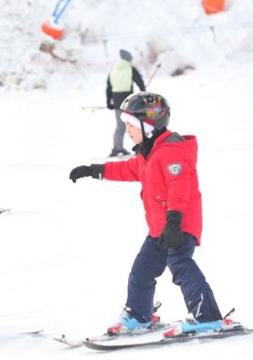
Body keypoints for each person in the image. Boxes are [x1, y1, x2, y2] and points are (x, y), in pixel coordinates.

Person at [69, 91, 240, 336]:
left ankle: (207, 316)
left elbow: (179, 187)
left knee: (181, 265)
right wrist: (93, 170)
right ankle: (139, 314)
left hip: (179, 224)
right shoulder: (149, 152)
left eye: (130, 124)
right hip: (160, 227)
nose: (127, 130)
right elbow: (127, 169)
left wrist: (174, 221)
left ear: (148, 124)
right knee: (142, 270)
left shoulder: (171, 152)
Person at [106, 49, 146, 157]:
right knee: (137, 124)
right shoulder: (130, 69)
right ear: (128, 59)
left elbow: (108, 87)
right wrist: (144, 94)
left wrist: (108, 101)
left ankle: (117, 148)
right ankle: (143, 147)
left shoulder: (113, 70)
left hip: (117, 102)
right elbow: (140, 82)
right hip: (129, 102)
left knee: (120, 126)